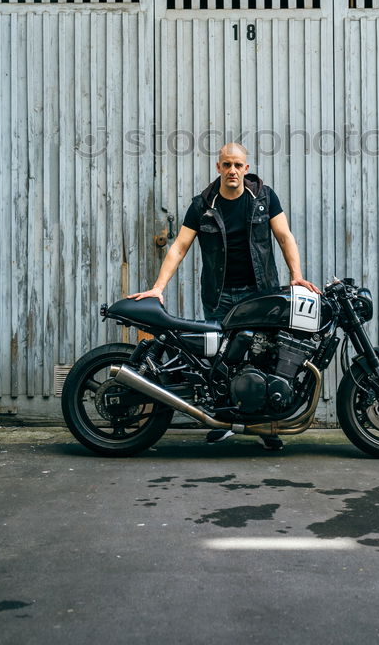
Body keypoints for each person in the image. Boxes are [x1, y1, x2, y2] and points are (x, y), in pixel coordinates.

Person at [131, 141, 320, 450]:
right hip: (220, 296)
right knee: (218, 362)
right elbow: (179, 246)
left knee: (264, 359)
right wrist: (158, 287)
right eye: (227, 164)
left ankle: (266, 427)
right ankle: (221, 423)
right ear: (218, 168)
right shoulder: (202, 205)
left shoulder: (264, 198)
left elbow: (284, 237)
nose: (232, 170)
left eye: (238, 165)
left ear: (246, 169)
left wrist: (296, 277)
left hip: (260, 295)